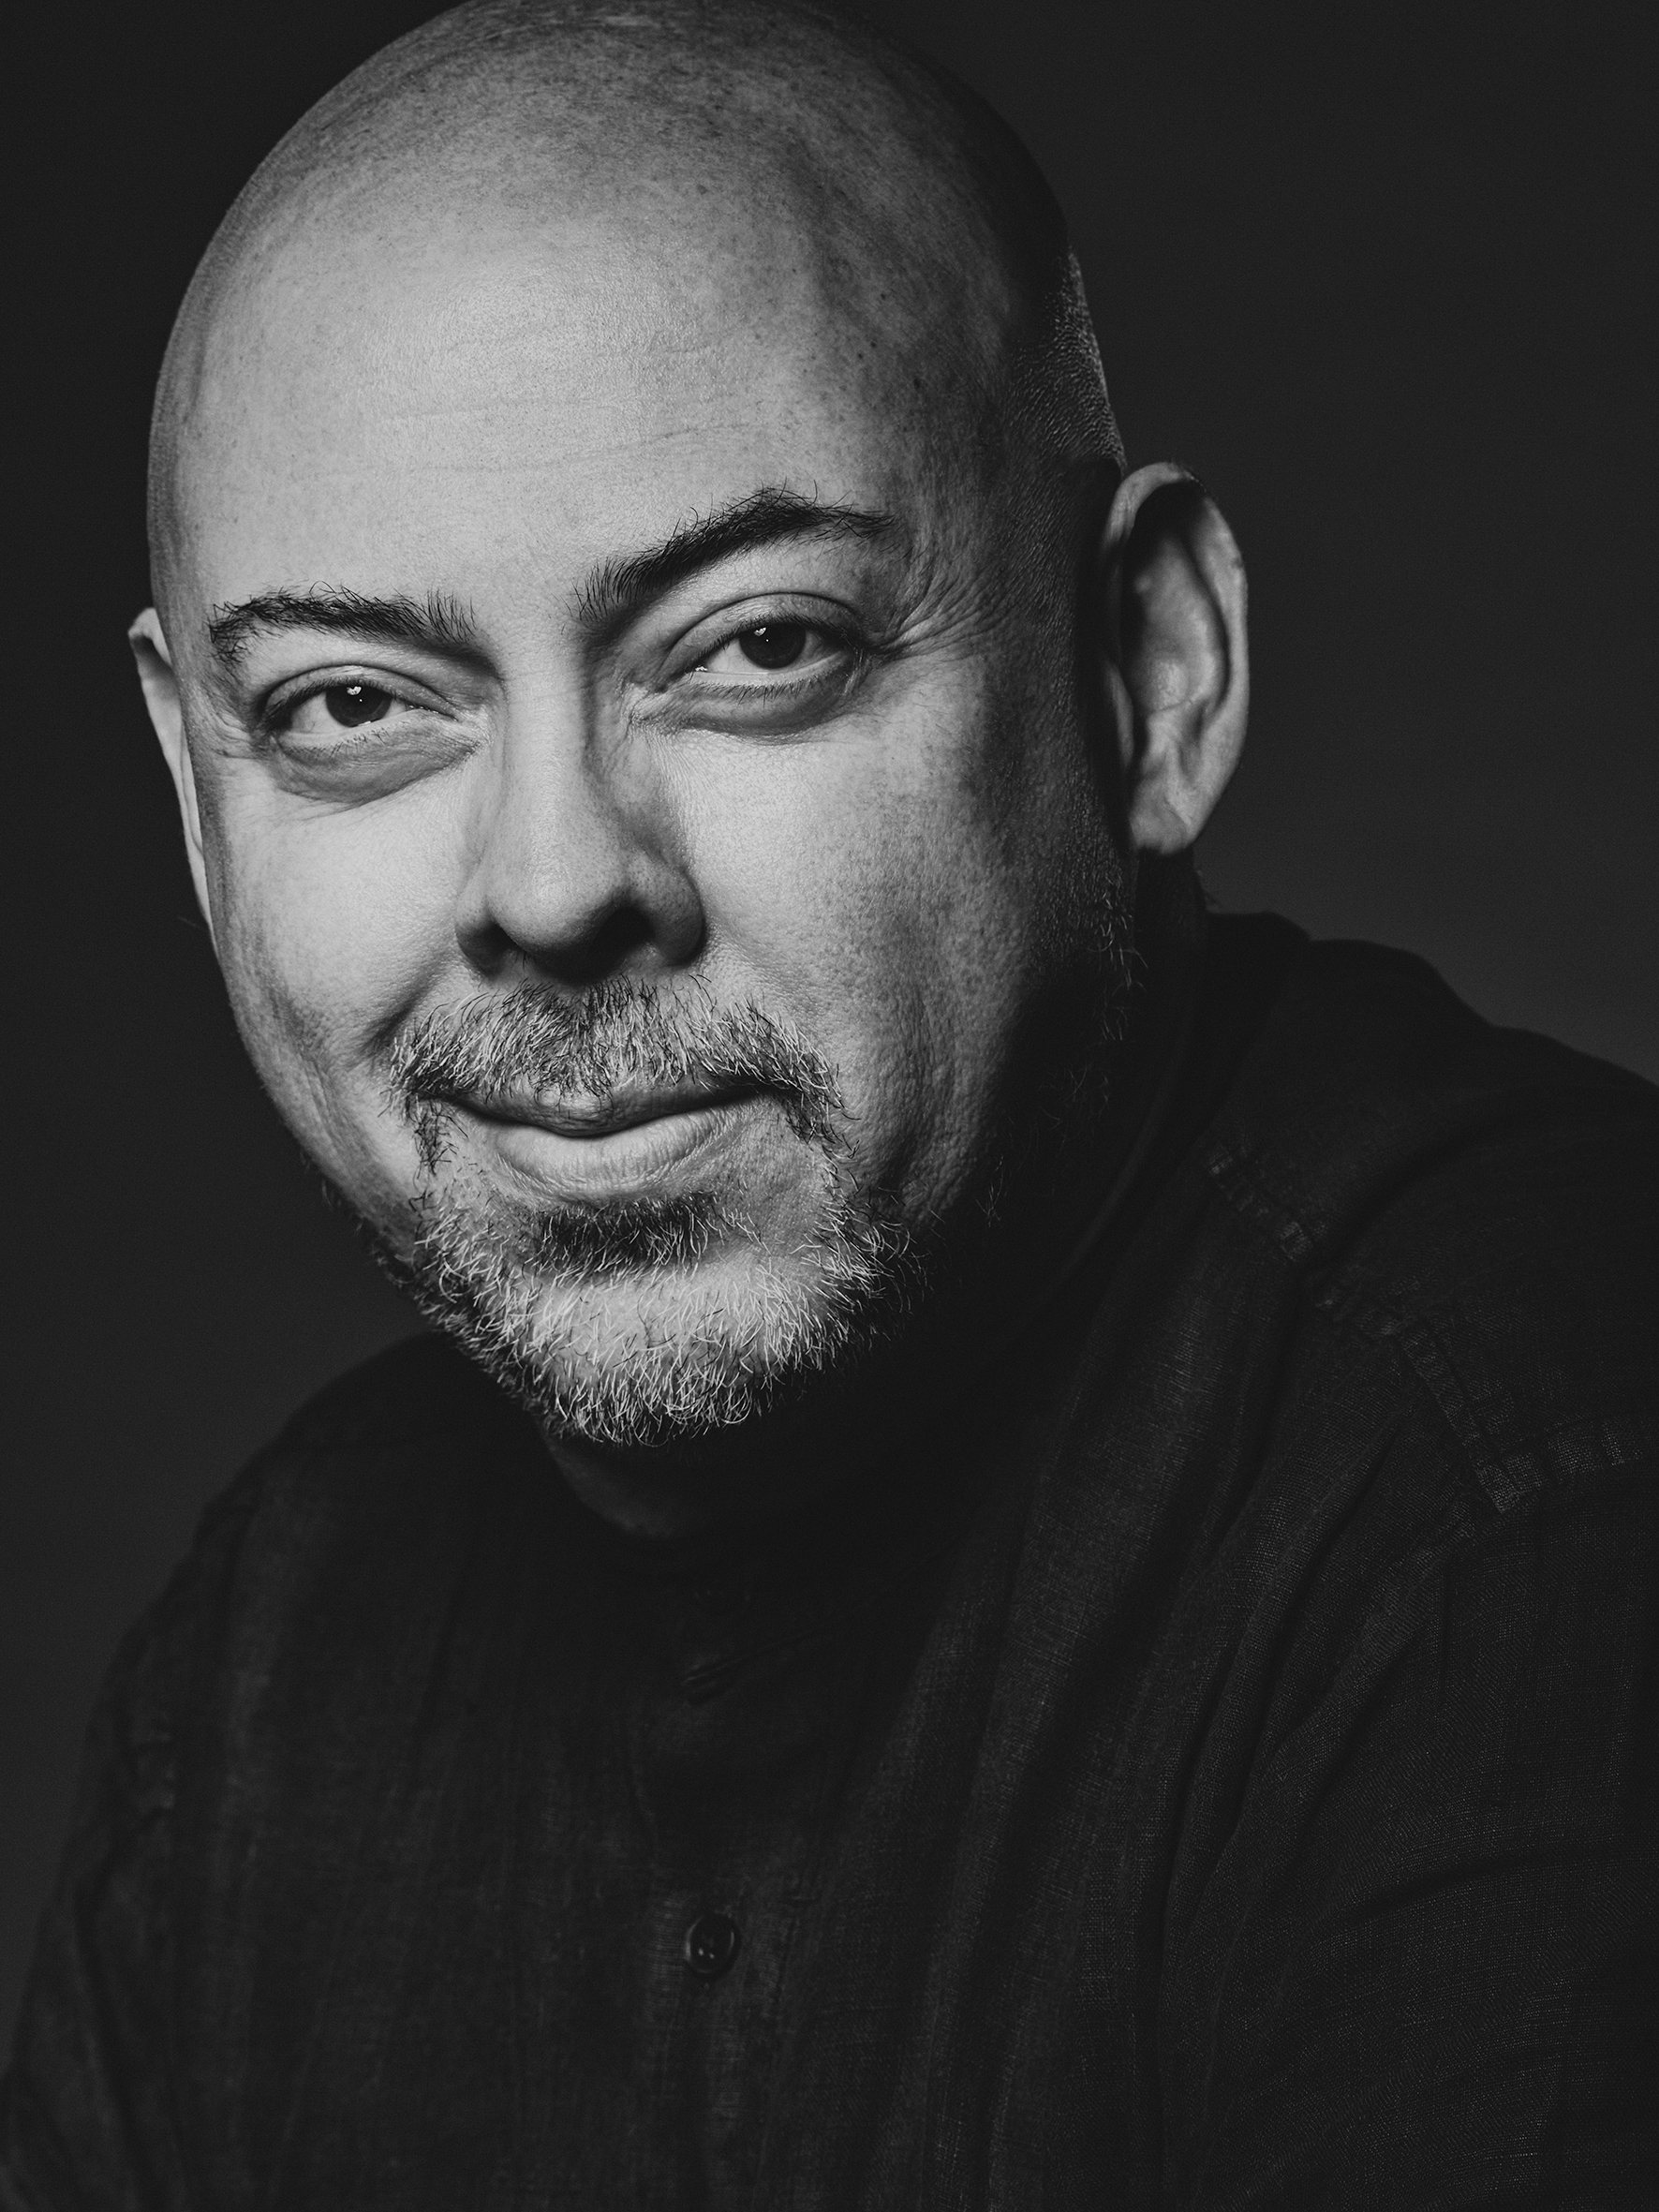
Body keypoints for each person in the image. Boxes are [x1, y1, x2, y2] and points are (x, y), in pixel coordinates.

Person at [4, 0, 1654, 2202]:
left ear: (1145, 669)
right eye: (349, 704)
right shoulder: (267, 1661)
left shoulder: (1534, 1502)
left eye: (759, 644)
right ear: (198, 800)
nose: (554, 883)